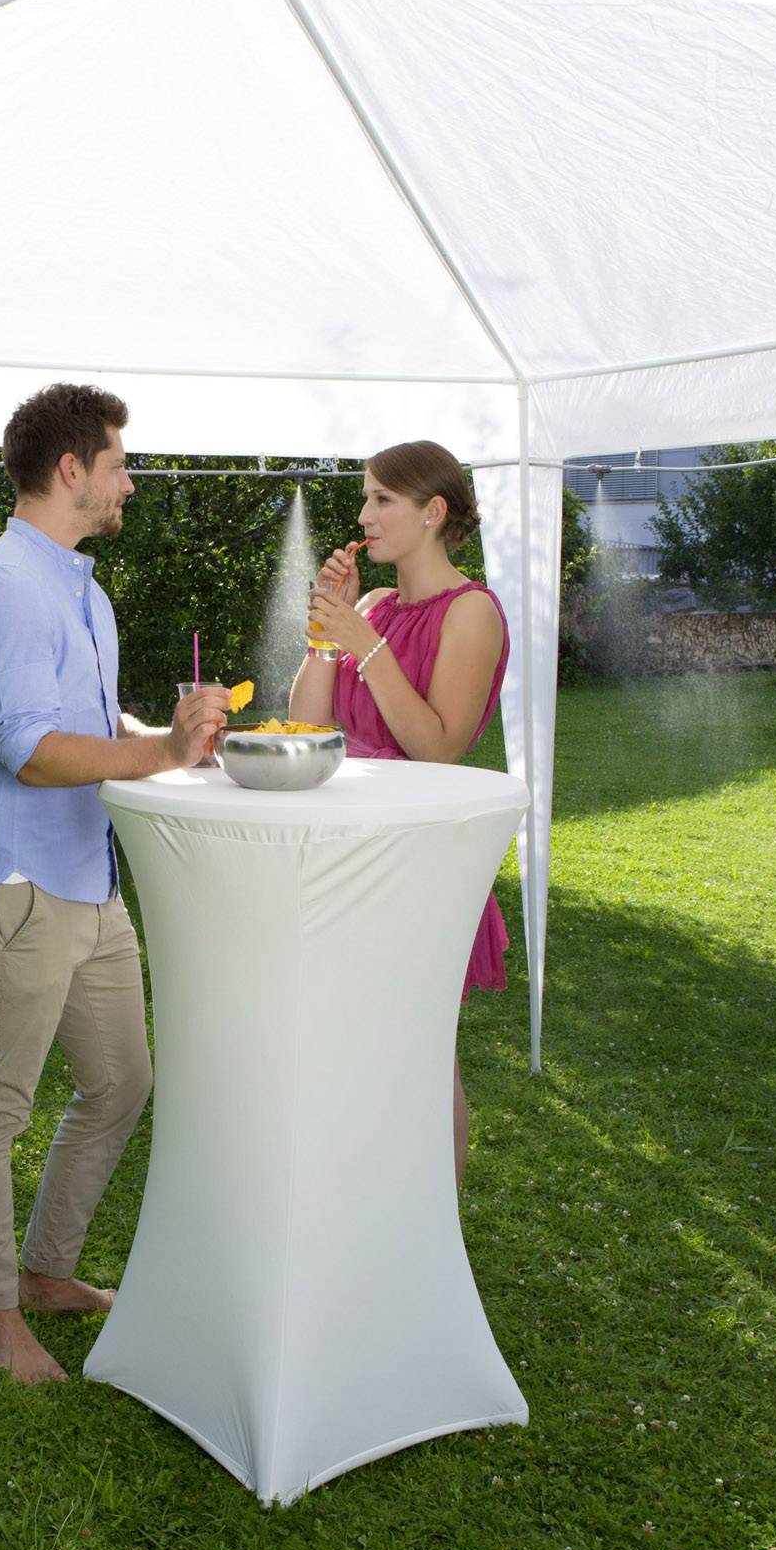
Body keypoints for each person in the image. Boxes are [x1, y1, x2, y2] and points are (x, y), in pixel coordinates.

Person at [0, 383, 229, 1386]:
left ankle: (45, 1272)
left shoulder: (81, 590)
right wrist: (159, 759)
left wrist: (174, 738)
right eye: (118, 464)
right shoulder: (5, 590)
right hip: (21, 885)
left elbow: (97, 725)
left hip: (90, 883)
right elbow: (30, 752)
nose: (129, 482)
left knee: (121, 1083)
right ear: (71, 469)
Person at [287, 439, 509, 1187]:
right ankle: (368, 1207)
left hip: (420, 863)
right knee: (352, 1051)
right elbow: (309, 727)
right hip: (347, 852)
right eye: (365, 498)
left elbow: (439, 747)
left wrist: (368, 645)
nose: (363, 515)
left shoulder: (472, 612)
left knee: (422, 1054)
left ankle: (431, 1224)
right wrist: (329, 633)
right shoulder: (374, 606)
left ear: (433, 511)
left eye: (382, 499)